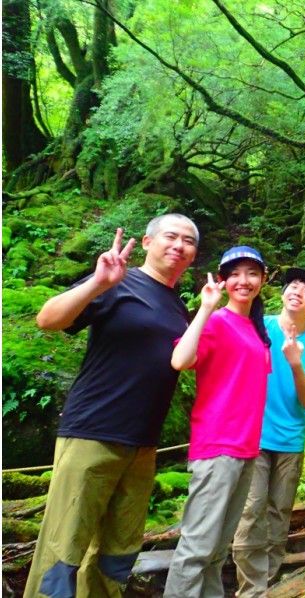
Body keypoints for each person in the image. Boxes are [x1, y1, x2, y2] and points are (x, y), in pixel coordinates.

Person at [25, 214, 199, 598]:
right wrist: (97, 283)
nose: (178, 245)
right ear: (148, 242)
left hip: (143, 445)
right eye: (170, 236)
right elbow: (47, 319)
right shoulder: (118, 282)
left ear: (193, 256)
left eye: (188, 241)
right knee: (62, 549)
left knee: (116, 554)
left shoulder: (177, 307)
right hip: (93, 432)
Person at [163, 246, 272, 598]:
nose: (244, 281)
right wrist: (206, 307)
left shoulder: (257, 332)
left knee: (216, 552)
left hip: (246, 449)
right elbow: (180, 360)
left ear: (263, 280)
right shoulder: (216, 321)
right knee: (196, 550)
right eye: (235, 274)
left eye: (252, 273)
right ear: (223, 280)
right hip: (217, 446)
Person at [232, 267, 305, 596]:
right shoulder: (260, 326)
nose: (297, 291)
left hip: (290, 440)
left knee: (279, 511)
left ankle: (269, 582)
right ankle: (250, 589)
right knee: (251, 510)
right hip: (253, 437)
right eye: (293, 285)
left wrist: (295, 363)